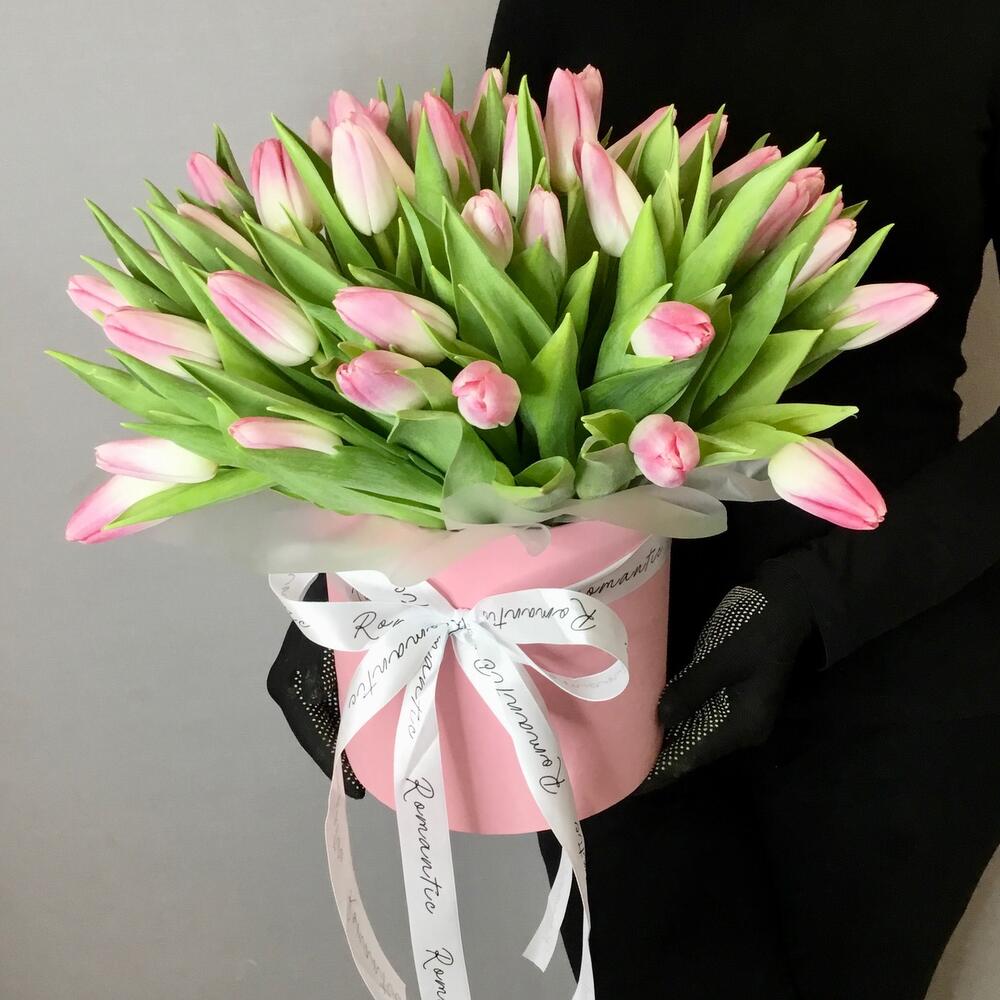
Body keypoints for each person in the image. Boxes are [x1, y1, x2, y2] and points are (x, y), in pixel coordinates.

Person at [268, 2, 1000, 996]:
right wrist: (361, 583)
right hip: (595, 624)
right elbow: (484, 301)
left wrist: (831, 597)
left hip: (901, 620)